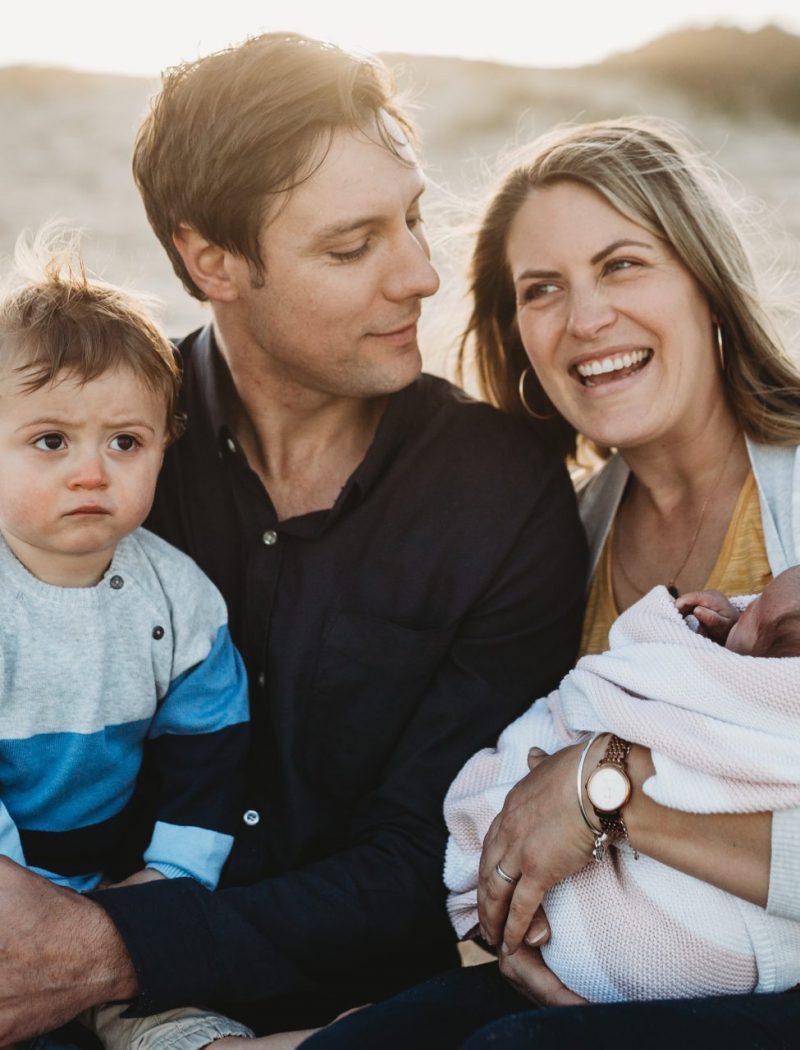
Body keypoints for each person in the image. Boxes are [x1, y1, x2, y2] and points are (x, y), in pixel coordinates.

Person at [0, 33, 588, 1046]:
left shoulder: (502, 493)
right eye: (353, 244)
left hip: (352, 1018)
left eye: (409, 219)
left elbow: (429, 852)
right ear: (210, 260)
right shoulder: (68, 457)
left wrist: (111, 947)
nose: (421, 275)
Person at [300, 117, 800, 1048]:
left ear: (705, 278)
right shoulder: (561, 537)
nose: (585, 321)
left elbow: (574, 794)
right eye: (542, 291)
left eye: (621, 265)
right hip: (627, 968)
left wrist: (607, 792)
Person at [0, 230, 253, 1049]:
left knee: (171, 1012)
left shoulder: (178, 600)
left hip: (102, 886)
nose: (90, 471)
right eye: (50, 441)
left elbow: (209, 751)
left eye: (125, 442)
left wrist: (164, 886)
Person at [445, 569, 800, 1003]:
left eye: (753, 609)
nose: (741, 602)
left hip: (705, 927)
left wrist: (599, 781)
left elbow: (689, 683)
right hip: (551, 862)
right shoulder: (594, 516)